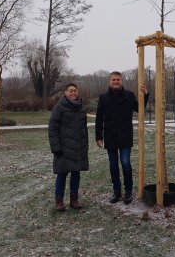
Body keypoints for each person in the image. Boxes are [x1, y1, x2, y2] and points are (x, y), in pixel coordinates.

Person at [95, 71, 148, 204]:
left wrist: (145, 95)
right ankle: (116, 191)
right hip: (110, 135)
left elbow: (139, 109)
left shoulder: (129, 96)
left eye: (117, 79)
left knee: (125, 163)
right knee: (113, 165)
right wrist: (98, 136)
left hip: (125, 135)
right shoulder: (103, 98)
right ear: (109, 81)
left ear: (121, 80)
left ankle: (128, 191)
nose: (115, 82)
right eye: (113, 80)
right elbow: (99, 119)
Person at [48, 82, 89, 211]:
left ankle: (74, 199)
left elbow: (84, 129)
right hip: (63, 148)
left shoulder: (81, 108)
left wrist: (85, 145)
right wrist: (55, 147)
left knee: (76, 174)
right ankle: (59, 201)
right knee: (62, 174)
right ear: (65, 92)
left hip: (77, 148)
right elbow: (52, 129)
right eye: (70, 91)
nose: (73, 93)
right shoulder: (59, 108)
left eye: (75, 91)